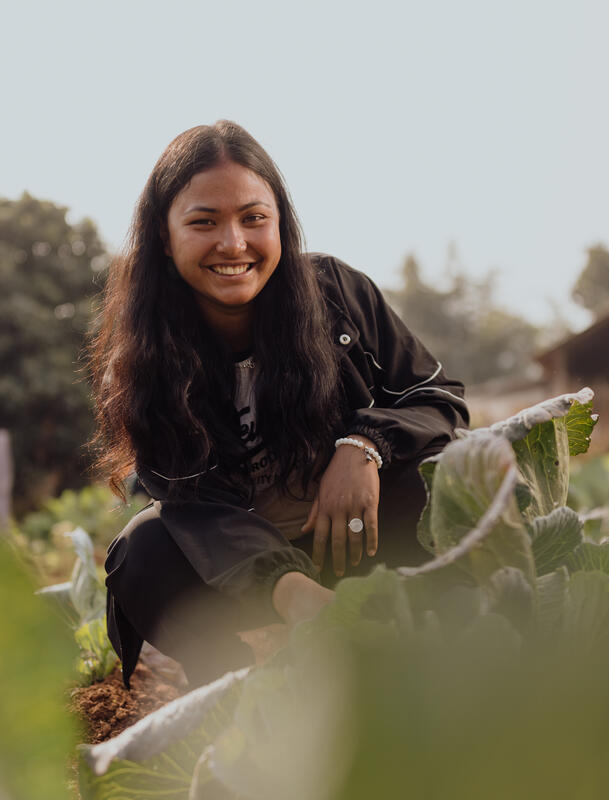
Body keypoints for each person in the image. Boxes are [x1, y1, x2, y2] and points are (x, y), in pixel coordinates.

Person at [91, 121, 469, 688]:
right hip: (244, 583)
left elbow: (437, 398)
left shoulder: (338, 295)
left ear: (280, 224)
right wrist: (291, 593)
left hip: (356, 547)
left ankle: (444, 659)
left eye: (253, 218)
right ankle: (244, 696)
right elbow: (190, 507)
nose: (234, 244)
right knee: (142, 548)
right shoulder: (143, 361)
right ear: (164, 238)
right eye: (203, 222)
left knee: (448, 477)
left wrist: (364, 443)